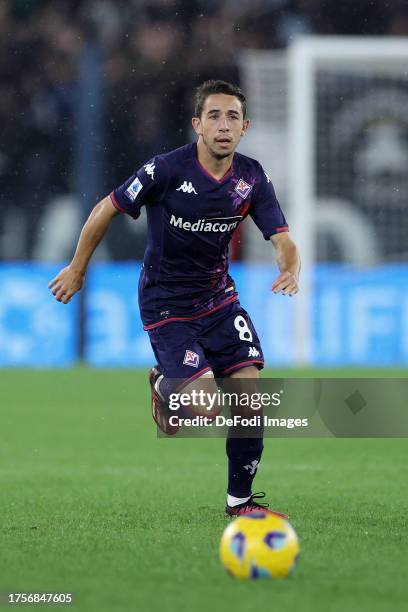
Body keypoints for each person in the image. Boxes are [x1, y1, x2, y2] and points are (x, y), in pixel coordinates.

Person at [49, 80, 300, 517]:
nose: (224, 126)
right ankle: (165, 386)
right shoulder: (165, 170)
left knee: (249, 401)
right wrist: (77, 267)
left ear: (245, 127)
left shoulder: (251, 177)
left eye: (233, 117)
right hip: (166, 302)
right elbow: (106, 208)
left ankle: (239, 503)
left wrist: (290, 267)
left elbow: (281, 237)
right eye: (215, 116)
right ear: (197, 124)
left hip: (219, 300)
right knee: (203, 410)